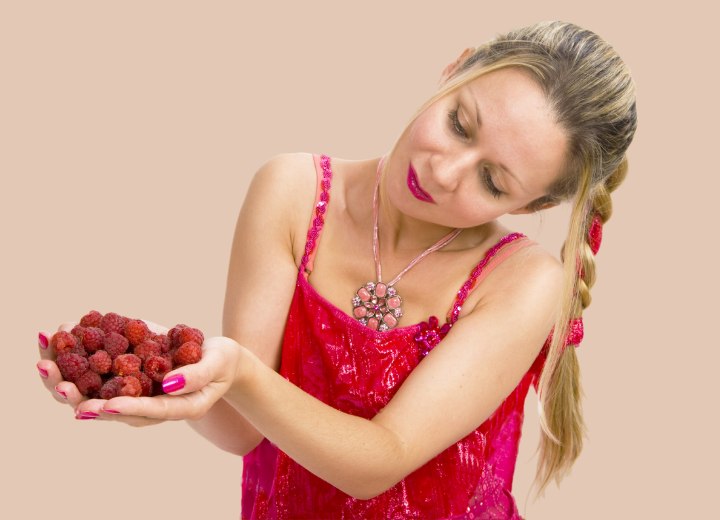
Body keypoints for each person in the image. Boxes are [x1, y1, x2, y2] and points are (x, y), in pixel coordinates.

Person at [37, 20, 637, 519]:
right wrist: (167, 371)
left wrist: (239, 371)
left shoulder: (523, 283)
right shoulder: (292, 192)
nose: (443, 171)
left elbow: (379, 460)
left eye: (492, 180)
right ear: (455, 69)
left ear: (531, 206)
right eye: (458, 123)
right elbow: (242, 430)